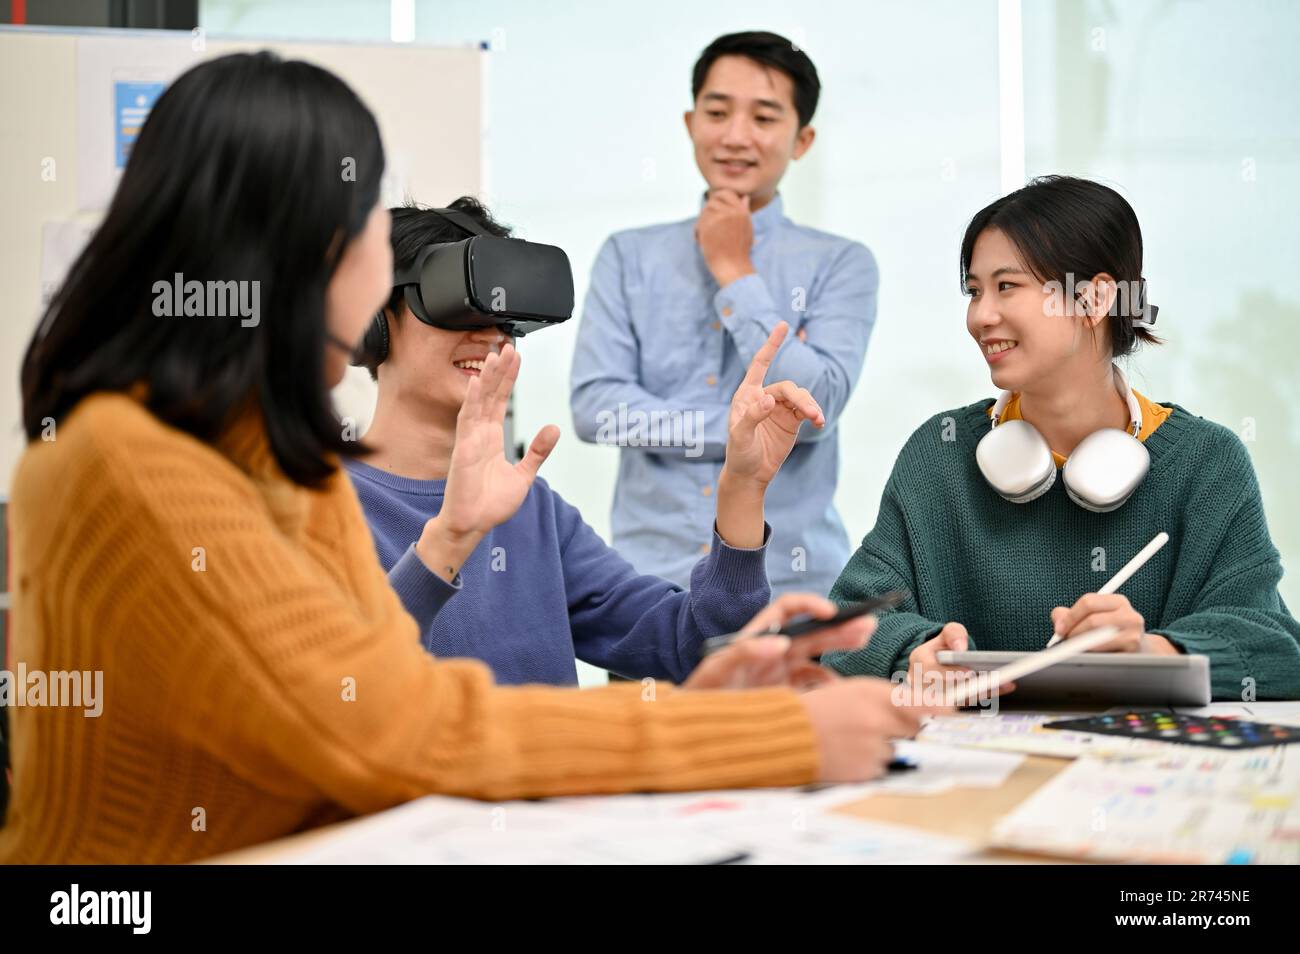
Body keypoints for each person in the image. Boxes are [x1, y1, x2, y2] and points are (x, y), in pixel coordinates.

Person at [0, 51, 941, 864]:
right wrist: (762, 738)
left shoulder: (286, 468)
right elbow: (393, 726)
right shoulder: (137, 462)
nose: (488, 332)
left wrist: (737, 524)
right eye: (371, 219)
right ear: (308, 248)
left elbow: (399, 707)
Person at [823, 176, 1300, 702]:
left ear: (1095, 299)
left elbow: (1274, 651)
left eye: (1007, 287)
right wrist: (914, 650)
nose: (981, 316)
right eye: (974, 291)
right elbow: (846, 631)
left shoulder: (1207, 463)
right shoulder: (939, 452)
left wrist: (1150, 654)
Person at [348, 199, 824, 686]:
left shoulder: (530, 508)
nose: (491, 336)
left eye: (507, 319)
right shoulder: (317, 506)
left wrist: (743, 488)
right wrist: (450, 539)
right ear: (372, 321)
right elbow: (341, 690)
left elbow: (693, 645)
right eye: (456, 306)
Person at [570, 30, 878, 597]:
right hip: (648, 596)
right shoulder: (627, 255)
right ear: (691, 123)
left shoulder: (842, 264)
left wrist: (735, 270)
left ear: (802, 138)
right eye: (717, 111)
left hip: (790, 593)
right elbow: (596, 411)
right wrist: (745, 428)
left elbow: (818, 409)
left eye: (764, 117)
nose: (736, 136)